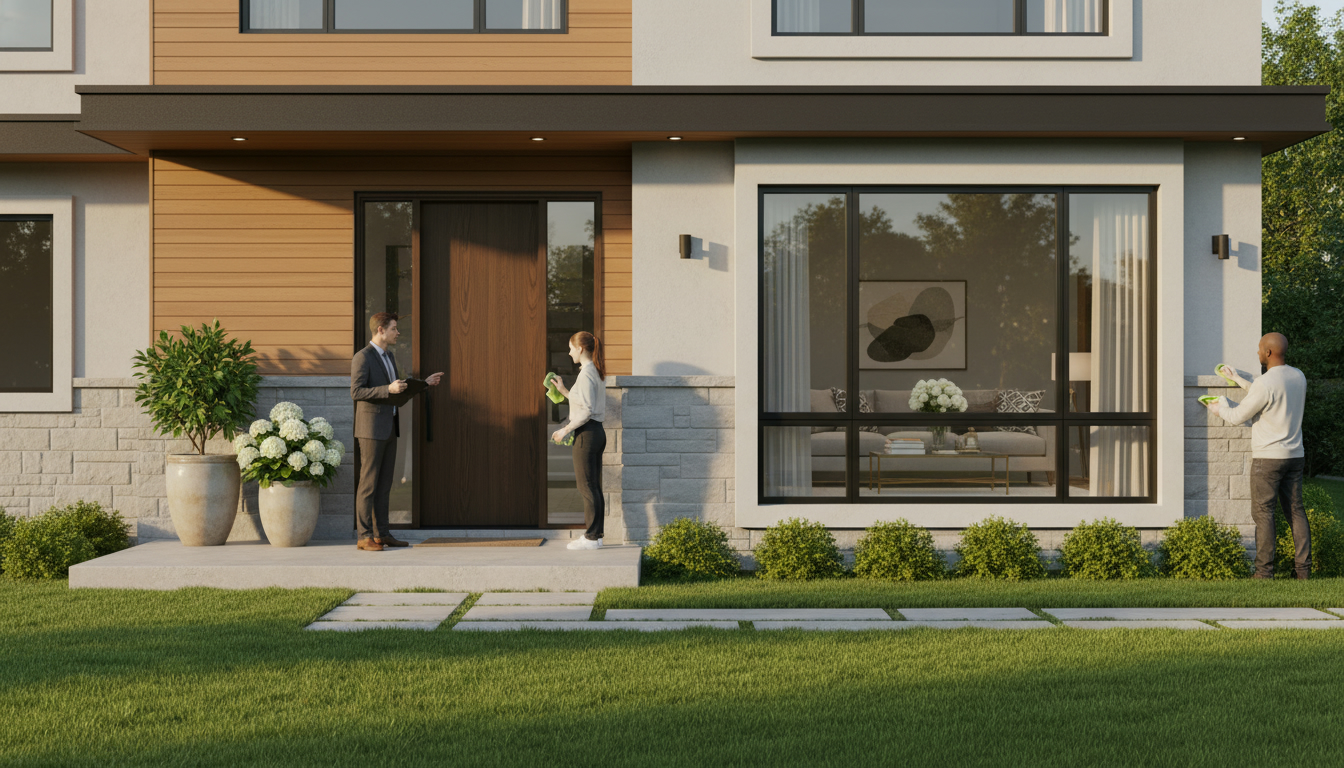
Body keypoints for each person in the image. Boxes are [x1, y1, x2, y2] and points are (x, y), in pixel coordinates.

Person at [1202, 332, 1309, 579]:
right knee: (1296, 511)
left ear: (1269, 353)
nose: (1258, 353)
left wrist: (1220, 408)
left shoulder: (1265, 382)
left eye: (1260, 349)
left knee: (1263, 513)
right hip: (1295, 455)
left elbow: (1240, 416)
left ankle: (1263, 573)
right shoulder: (1298, 376)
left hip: (1268, 459)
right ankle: (1303, 572)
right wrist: (1237, 378)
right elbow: (1268, 397)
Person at [351, 312, 442, 552]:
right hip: (370, 430)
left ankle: (382, 534)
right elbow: (357, 392)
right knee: (368, 484)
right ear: (380, 330)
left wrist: (423, 384)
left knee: (384, 484)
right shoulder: (363, 357)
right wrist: (386, 389)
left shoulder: (389, 356)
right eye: (394, 329)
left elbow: (398, 389)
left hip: (390, 427)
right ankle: (364, 536)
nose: (397, 333)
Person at [547, 331, 607, 550]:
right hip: (596, 432)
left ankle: (591, 538)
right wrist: (563, 390)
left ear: (581, 349)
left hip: (587, 433)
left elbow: (586, 411)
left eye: (571, 347)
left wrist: (565, 430)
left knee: (586, 486)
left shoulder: (588, 373)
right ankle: (596, 536)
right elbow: (584, 402)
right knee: (592, 485)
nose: (569, 351)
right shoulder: (594, 371)